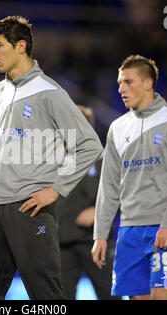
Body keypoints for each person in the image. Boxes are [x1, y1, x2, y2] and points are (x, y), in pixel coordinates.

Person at [0, 16, 103, 300]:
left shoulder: (50, 92)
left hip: (29, 210)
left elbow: (89, 145)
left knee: (46, 296)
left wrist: (55, 189)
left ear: (20, 46)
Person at [91, 54, 167, 300]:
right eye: (119, 82)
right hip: (129, 230)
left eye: (128, 82)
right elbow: (108, 187)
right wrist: (100, 234)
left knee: (162, 297)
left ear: (148, 83)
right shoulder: (117, 128)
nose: (120, 88)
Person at [57, 105, 120, 300]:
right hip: (61, 243)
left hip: (95, 241)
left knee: (109, 296)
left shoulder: (103, 157)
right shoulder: (53, 159)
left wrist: (97, 211)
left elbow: (122, 193)